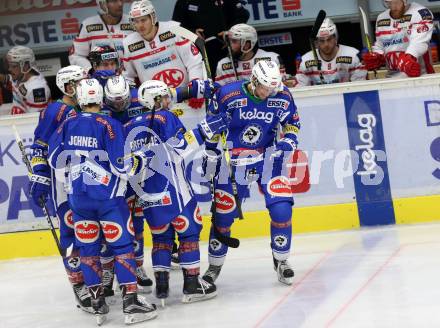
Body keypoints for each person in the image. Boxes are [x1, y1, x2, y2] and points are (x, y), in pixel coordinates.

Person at [48, 78, 157, 325]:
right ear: (100, 98)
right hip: (109, 200)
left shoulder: (67, 124)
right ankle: (130, 304)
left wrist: (75, 175)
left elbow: (55, 161)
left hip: (78, 200)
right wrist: (143, 156)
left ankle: (98, 304)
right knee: (122, 247)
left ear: (80, 98)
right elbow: (122, 166)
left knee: (88, 250)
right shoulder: (108, 124)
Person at [124, 79, 228, 304]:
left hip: (148, 197)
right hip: (176, 191)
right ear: (154, 100)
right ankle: (191, 285)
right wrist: (206, 128)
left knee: (161, 238)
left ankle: (161, 289)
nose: (169, 101)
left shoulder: (128, 127)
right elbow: (179, 148)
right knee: (189, 233)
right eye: (164, 97)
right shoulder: (165, 117)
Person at [202, 60, 300, 286]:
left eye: (274, 88)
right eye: (266, 88)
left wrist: (289, 141)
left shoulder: (282, 95)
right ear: (254, 81)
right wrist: (211, 154)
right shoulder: (228, 94)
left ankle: (282, 261)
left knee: (282, 209)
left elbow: (292, 123)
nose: (270, 93)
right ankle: (214, 266)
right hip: (233, 162)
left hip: (268, 158)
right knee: (223, 216)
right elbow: (211, 127)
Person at [30, 65, 91, 312]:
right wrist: (40, 175)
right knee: (70, 231)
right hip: (62, 182)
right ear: (67, 86)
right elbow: (39, 144)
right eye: (78, 82)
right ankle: (79, 284)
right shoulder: (56, 110)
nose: (84, 86)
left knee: (91, 231)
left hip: (87, 181)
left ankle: (95, 279)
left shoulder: (86, 106)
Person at [122, 0, 206, 109]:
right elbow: (128, 78)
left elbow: (194, 61)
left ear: (152, 18)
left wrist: (196, 89)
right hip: (156, 105)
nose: (140, 25)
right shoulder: (128, 43)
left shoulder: (175, 29)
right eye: (136, 21)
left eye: (143, 20)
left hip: (186, 97)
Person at [172, 0, 250, 76]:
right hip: (199, 53)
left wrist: (230, 32)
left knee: (231, 80)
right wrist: (192, 33)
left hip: (226, 47)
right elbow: (176, 28)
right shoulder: (184, 2)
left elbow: (243, 15)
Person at [362, 0, 434, 77]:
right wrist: (377, 56)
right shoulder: (381, 18)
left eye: (395, 3)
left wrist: (410, 57)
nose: (392, 7)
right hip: (392, 78)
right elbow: (381, 44)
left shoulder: (420, 13)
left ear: (404, 1)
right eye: (388, 3)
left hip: (421, 76)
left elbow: (420, 41)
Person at [295, 18, 367, 86]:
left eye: (329, 39)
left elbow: (361, 87)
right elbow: (300, 91)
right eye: (322, 40)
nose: (326, 44)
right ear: (316, 42)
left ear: (335, 38)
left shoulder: (353, 55)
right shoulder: (305, 61)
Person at [69, 0, 134, 71]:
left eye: (121, 0)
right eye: (114, 1)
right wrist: (91, 71)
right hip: (100, 79)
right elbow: (76, 56)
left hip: (129, 79)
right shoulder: (88, 25)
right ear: (102, 4)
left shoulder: (134, 22)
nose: (120, 4)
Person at [215, 23, 286, 86]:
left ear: (247, 45)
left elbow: (281, 86)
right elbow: (219, 92)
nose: (230, 45)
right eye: (229, 41)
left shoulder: (272, 59)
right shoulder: (222, 65)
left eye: (234, 41)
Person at [0, 46, 50, 115]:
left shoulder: (37, 89)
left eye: (13, 66)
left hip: (24, 122)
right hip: (17, 113)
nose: (9, 69)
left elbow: (37, 119)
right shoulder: (21, 76)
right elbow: (8, 79)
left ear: (25, 66)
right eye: (9, 65)